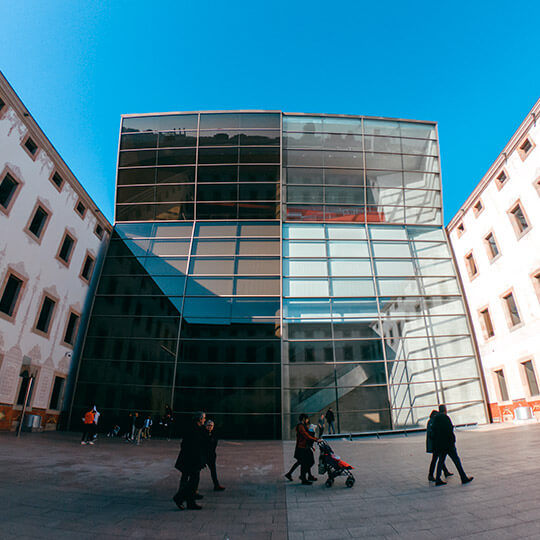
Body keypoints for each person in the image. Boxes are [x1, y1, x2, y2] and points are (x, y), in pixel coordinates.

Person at [173, 412, 208, 510]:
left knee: (193, 481)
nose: (204, 420)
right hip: (192, 460)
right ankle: (179, 498)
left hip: (191, 460)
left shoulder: (195, 428)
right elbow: (193, 446)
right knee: (193, 481)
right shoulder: (194, 429)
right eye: (204, 418)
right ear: (199, 419)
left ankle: (190, 502)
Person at [432, 404, 473, 486]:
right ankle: (463, 477)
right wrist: (452, 441)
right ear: (445, 410)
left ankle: (438, 479)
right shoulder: (445, 418)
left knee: (441, 461)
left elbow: (434, 431)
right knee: (456, 461)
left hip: (440, 444)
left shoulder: (436, 418)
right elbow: (449, 430)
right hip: (448, 444)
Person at [291, 413, 320, 485]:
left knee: (308, 461)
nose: (308, 420)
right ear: (304, 419)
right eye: (307, 419)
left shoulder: (303, 426)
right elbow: (306, 435)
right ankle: (303, 478)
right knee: (307, 462)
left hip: (305, 446)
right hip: (302, 447)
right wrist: (316, 439)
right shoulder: (300, 426)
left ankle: (306, 476)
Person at [426, 409, 452, 482]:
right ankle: (431, 475)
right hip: (435, 444)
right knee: (436, 459)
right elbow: (432, 434)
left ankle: (445, 471)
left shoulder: (431, 421)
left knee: (440, 458)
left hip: (435, 444)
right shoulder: (432, 422)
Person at [205, 420, 225, 491]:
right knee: (195, 473)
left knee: (213, 471)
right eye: (208, 425)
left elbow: (213, 445)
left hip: (211, 455)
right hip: (203, 455)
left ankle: (216, 485)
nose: (209, 427)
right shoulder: (203, 434)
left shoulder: (214, 435)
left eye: (211, 426)